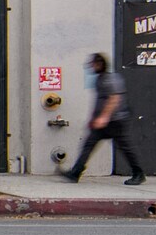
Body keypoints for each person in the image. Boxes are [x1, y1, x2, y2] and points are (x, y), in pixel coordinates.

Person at [62, 52, 144, 185]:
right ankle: (76, 172)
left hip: (116, 121)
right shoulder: (101, 79)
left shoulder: (110, 79)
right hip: (106, 122)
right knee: (90, 144)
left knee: (125, 147)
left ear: (99, 64)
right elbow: (99, 101)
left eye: (93, 64)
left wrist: (103, 117)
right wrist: (94, 118)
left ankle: (138, 173)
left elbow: (114, 98)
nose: (91, 67)